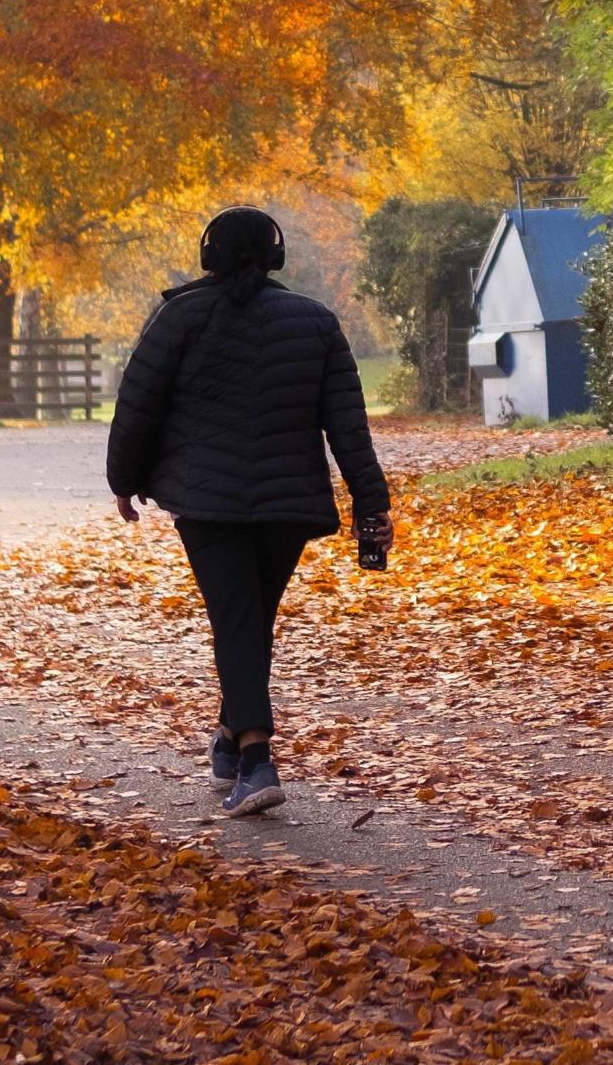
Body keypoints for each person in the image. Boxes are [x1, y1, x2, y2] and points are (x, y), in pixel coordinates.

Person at [104, 205, 392, 816]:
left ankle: (257, 761)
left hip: (207, 503)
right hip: (288, 506)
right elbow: (349, 430)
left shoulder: (180, 317)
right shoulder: (315, 323)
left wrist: (124, 480)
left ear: (211, 254)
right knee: (249, 618)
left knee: (238, 619)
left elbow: (138, 404)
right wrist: (372, 506)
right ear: (274, 254)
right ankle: (230, 742)